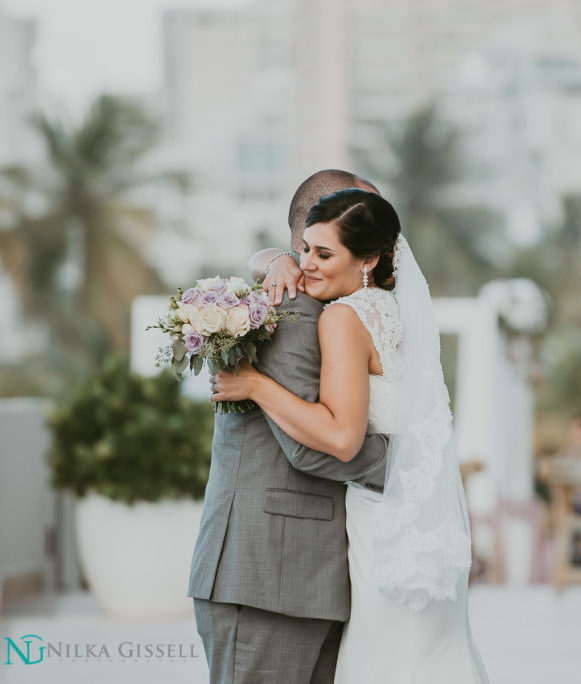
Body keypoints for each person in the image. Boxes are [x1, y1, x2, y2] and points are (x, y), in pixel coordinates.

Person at [210, 187, 490, 683]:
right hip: (421, 529)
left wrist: (255, 384)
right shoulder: (398, 313)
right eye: (302, 250)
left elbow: (342, 438)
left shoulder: (343, 317)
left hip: (381, 528)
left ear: (369, 258)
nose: (305, 266)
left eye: (323, 253)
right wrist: (275, 259)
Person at [188, 170, 390, 684]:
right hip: (263, 574)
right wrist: (411, 462)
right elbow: (311, 449)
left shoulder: (341, 310)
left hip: (306, 576)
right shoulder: (291, 310)